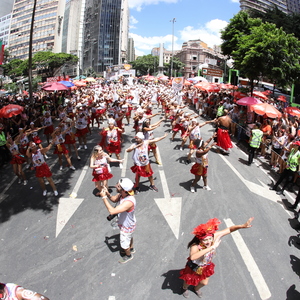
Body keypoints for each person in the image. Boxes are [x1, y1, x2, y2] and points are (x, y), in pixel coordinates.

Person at [179, 217, 254, 298]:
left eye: (210, 239)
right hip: (194, 267)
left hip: (206, 265)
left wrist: (241, 226)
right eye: (205, 240)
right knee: (189, 280)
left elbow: (229, 229)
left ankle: (196, 289)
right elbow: (193, 257)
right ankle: (184, 288)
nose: (208, 242)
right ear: (200, 240)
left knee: (204, 283)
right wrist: (212, 247)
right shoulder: (195, 246)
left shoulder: (213, 237)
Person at [100, 178, 136, 264]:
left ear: (123, 190)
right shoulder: (122, 195)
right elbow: (113, 199)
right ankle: (131, 248)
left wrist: (104, 197)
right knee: (129, 236)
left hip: (126, 226)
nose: (116, 185)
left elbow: (112, 211)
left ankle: (128, 255)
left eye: (118, 185)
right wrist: (108, 194)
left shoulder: (129, 202)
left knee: (124, 243)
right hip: (126, 223)